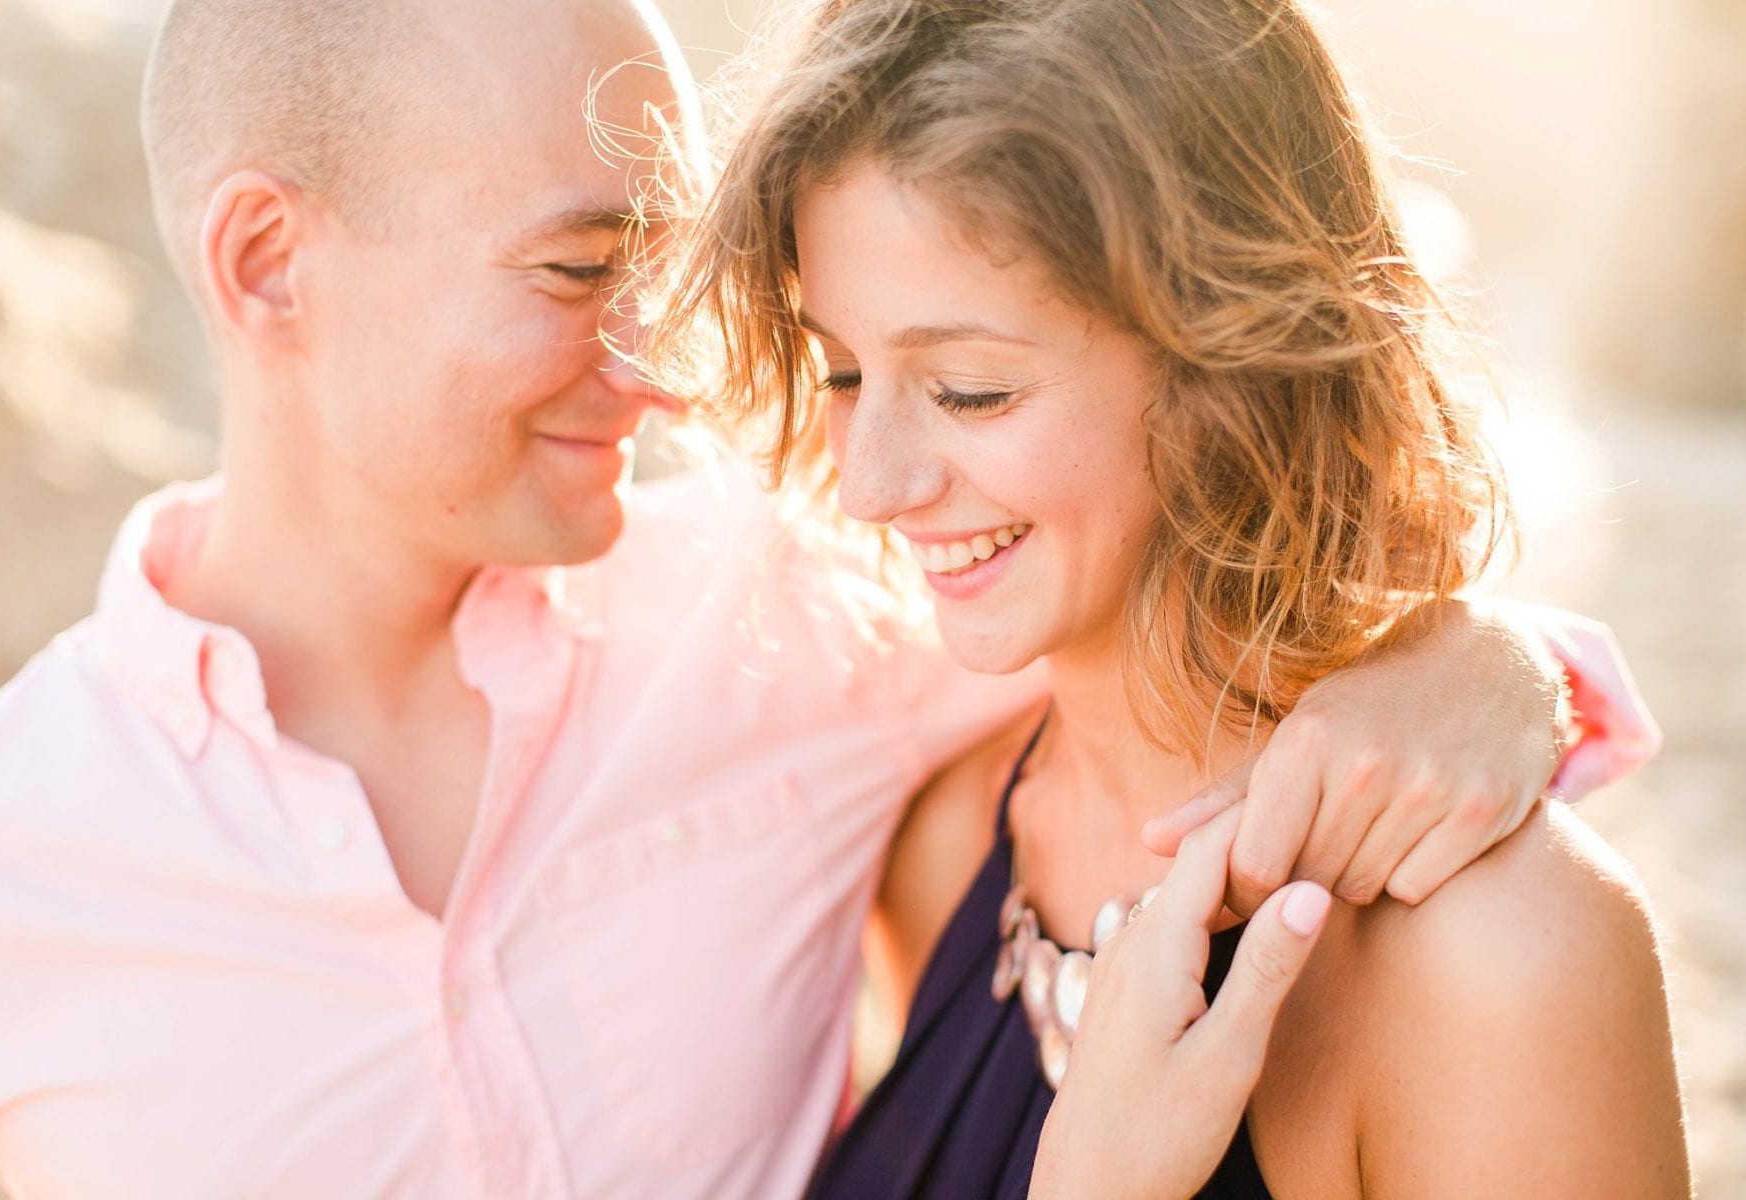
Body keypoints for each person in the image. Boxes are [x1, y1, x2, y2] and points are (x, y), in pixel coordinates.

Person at [0, 0, 1657, 1196]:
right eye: (570, 272)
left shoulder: (785, 619)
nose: (676, 380)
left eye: (670, 278)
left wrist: (1479, 660)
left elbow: (1189, 586)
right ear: (266, 262)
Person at [656, 0, 1690, 1194]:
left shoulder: (1504, 962)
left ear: (1236, 361)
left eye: (971, 391)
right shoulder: (939, 845)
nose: (870, 484)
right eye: (841, 370)